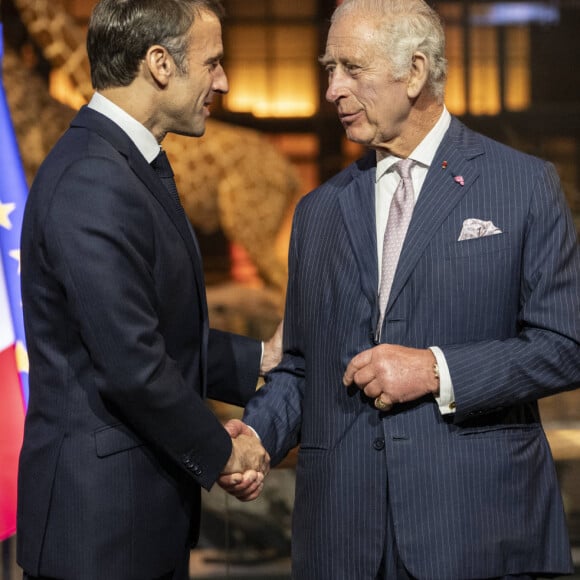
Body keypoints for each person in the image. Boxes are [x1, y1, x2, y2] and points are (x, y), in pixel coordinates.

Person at [220, 0, 580, 578]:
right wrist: (259, 435)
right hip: (343, 539)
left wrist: (437, 371)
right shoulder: (318, 212)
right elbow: (303, 364)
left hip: (475, 530)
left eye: (351, 68)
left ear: (415, 71)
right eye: (328, 67)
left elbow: (566, 344)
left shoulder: (523, 185)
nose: (333, 88)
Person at [17, 1, 280, 579]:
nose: (224, 82)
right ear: (160, 64)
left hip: (128, 521)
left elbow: (155, 330)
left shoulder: (121, 162)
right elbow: (133, 363)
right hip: (101, 533)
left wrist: (261, 357)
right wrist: (223, 453)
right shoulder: (94, 176)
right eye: (212, 63)